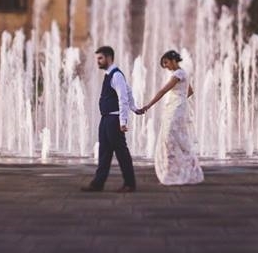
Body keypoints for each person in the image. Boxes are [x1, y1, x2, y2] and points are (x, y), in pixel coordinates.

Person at [136, 49, 204, 186]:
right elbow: (189, 91)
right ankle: (181, 170)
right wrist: (180, 99)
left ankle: (173, 171)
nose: (166, 66)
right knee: (176, 138)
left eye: (166, 63)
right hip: (178, 107)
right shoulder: (182, 73)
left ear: (173, 60)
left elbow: (163, 91)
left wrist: (147, 106)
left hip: (176, 109)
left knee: (169, 137)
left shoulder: (178, 74)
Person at [81, 45, 138, 193]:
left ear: (108, 57)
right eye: (97, 58)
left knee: (121, 153)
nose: (98, 61)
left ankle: (130, 183)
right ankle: (98, 183)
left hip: (114, 119)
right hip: (106, 120)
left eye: (100, 58)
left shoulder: (116, 75)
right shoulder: (109, 74)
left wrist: (123, 121)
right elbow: (129, 91)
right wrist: (135, 108)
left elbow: (123, 97)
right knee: (104, 152)